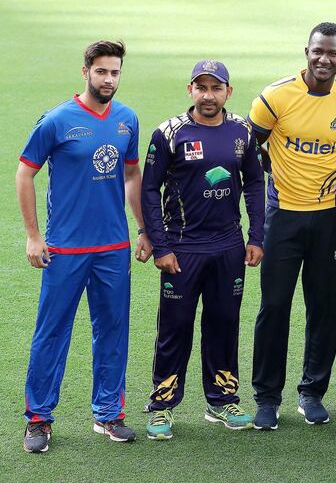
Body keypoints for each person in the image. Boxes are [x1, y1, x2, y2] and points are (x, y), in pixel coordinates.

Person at [17, 40, 152, 453]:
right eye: (101, 72)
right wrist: (34, 236)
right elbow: (25, 175)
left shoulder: (127, 120)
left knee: (112, 330)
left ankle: (109, 414)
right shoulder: (56, 121)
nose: (108, 79)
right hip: (65, 248)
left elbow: (132, 176)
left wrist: (144, 229)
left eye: (115, 72)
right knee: (51, 333)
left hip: (113, 247)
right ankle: (39, 419)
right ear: (86, 72)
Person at [247, 22, 336, 430]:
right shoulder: (276, 96)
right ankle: (267, 398)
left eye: (332, 53)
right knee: (274, 307)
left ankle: (312, 392)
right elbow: (248, 145)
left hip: (329, 217)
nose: (324, 59)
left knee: (323, 306)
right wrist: (270, 168)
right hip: (282, 216)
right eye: (318, 51)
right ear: (307, 51)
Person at [140, 60, 265, 440]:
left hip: (228, 248)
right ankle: (162, 405)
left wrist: (256, 237)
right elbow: (149, 190)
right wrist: (160, 245)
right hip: (182, 250)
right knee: (175, 327)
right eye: (201, 87)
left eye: (216, 88)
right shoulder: (169, 133)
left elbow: (256, 185)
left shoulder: (242, 130)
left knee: (224, 322)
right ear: (190, 90)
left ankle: (222, 400)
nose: (208, 95)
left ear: (229, 91)